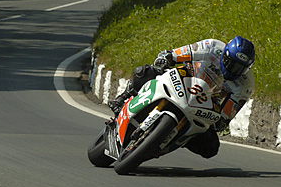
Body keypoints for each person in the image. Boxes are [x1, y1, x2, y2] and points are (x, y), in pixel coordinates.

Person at [108, 36, 255, 158]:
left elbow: (229, 111)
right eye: (232, 64)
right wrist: (168, 58)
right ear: (225, 54)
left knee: (211, 148)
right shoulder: (212, 47)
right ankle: (123, 97)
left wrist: (222, 120)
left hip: (204, 104)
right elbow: (181, 53)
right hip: (184, 81)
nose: (234, 70)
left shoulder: (245, 84)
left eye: (241, 68)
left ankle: (181, 138)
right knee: (145, 72)